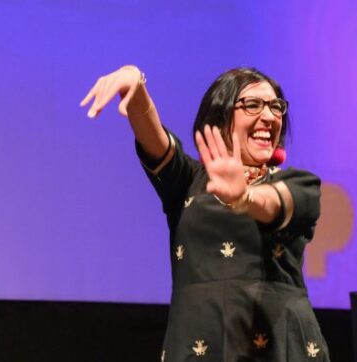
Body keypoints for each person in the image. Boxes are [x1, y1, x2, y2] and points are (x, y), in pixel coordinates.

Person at [81, 65, 330, 361]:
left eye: (276, 107)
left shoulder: (299, 184)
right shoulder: (188, 181)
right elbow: (154, 137)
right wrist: (136, 86)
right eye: (253, 105)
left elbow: (274, 203)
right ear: (221, 115)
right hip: (199, 344)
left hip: (280, 346)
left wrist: (245, 197)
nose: (269, 116)